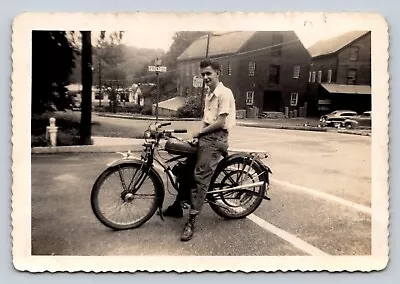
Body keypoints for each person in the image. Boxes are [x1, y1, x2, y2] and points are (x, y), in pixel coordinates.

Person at [163, 58, 236, 241]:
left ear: (218, 73)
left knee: (200, 178)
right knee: (186, 168)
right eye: (203, 74)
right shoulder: (209, 94)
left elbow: (220, 122)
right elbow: (206, 120)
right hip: (207, 137)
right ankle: (178, 205)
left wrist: (199, 133)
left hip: (217, 139)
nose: (205, 77)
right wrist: (198, 135)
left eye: (208, 73)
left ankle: (191, 221)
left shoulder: (224, 93)